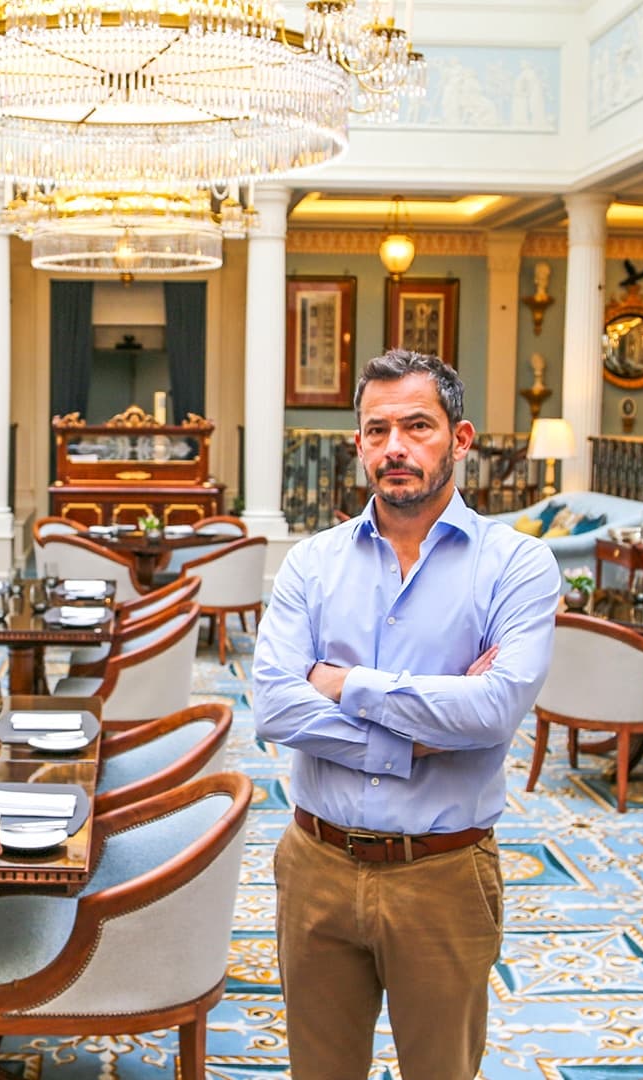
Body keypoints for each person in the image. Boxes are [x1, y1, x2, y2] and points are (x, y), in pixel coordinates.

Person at [252, 349, 559, 1079]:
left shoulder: (516, 566)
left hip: (443, 874)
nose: (395, 447)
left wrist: (342, 682)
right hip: (317, 864)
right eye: (377, 429)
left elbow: (492, 710)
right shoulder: (311, 563)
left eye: (417, 426)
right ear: (358, 444)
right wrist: (414, 736)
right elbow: (274, 706)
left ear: (460, 438)